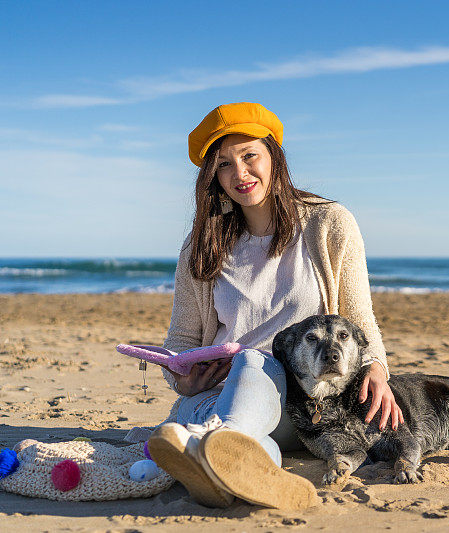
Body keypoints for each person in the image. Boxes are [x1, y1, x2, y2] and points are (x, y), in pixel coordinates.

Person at [147, 102, 403, 509]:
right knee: (250, 429)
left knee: (255, 362)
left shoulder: (328, 224)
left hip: (306, 404)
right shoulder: (201, 245)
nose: (240, 174)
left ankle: (213, 448)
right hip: (217, 396)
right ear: (213, 175)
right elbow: (181, 341)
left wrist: (375, 367)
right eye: (225, 164)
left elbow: (359, 317)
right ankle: (241, 468)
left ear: (274, 157)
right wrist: (181, 380)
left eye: (250, 156)